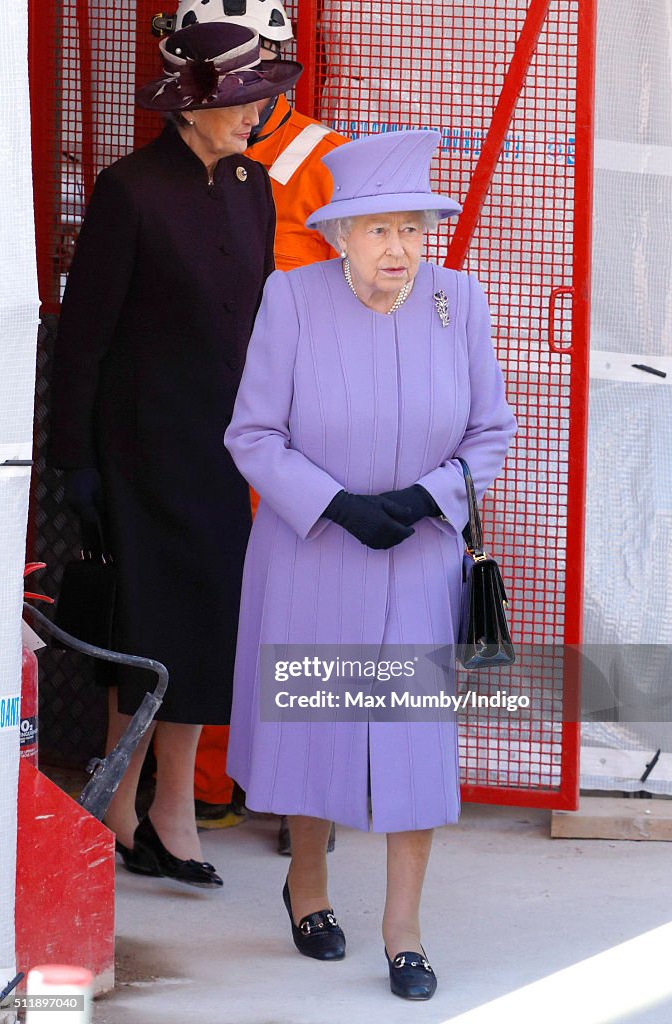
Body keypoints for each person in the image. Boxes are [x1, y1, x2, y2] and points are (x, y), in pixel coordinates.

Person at [223, 129, 517, 997]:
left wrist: (432, 498)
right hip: (314, 551)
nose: (400, 248)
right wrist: (336, 505)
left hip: (420, 554)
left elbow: (489, 430)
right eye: (378, 229)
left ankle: (403, 927)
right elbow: (253, 434)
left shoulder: (455, 300)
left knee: (412, 739)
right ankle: (307, 887)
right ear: (338, 235)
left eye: (414, 228)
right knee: (316, 719)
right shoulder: (292, 297)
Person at [48, 22, 301, 888]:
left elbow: (261, 329)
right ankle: (121, 809)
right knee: (142, 626)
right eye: (236, 100)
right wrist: (75, 460)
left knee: (207, 627)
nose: (254, 111)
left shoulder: (255, 187)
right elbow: (85, 340)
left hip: (223, 447)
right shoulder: (129, 190)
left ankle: (169, 809)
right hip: (137, 449)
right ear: (190, 110)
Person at [171, 0, 348, 847]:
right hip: (209, 405)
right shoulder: (183, 149)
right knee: (215, 588)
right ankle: (207, 784)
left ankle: (301, 790)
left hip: (301, 421)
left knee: (303, 602)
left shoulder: (327, 159)